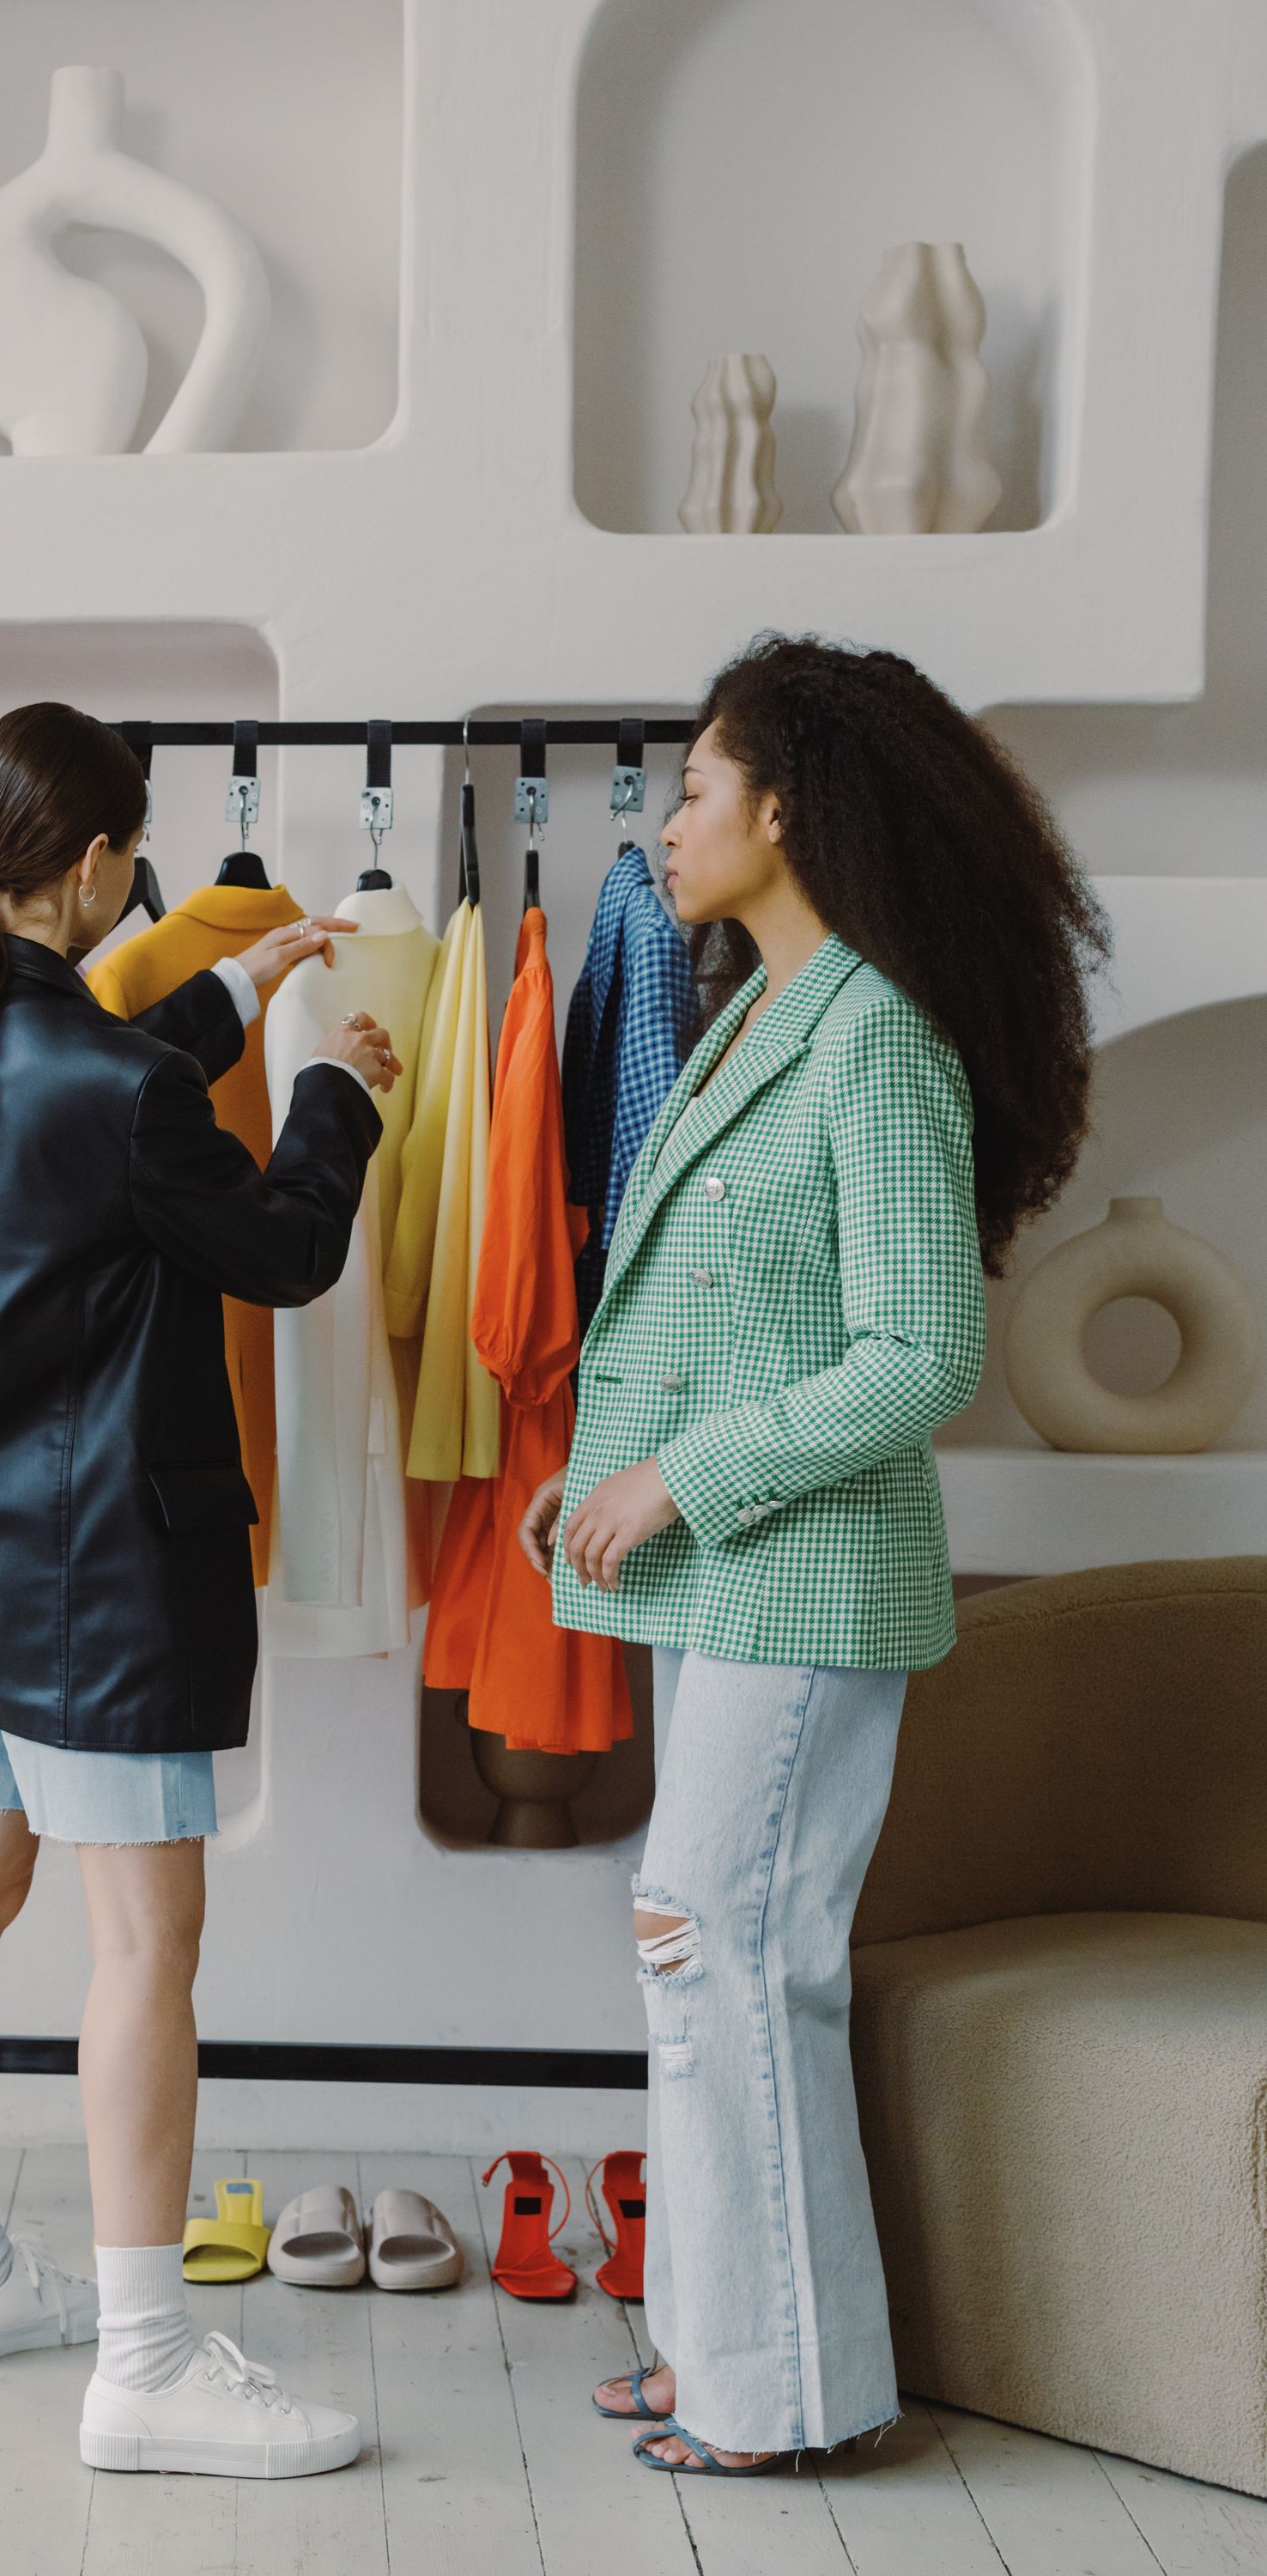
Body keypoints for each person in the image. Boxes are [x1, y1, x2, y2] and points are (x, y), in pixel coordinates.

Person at [519, 635, 1106, 2478]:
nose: (665, 824)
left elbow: (918, 1355)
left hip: (803, 1577)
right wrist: (597, 1481)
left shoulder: (875, 1038)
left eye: (693, 787)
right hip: (730, 1577)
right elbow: (713, 1311)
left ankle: (772, 2398)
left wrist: (678, 1477)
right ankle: (717, 2350)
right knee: (702, 1958)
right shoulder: (760, 1014)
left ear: (783, 809)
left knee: (731, 1956)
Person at [0, 701, 400, 2481]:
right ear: (103, 862)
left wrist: (236, 992)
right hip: (96, 1576)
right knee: (144, 1952)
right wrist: (336, 1095)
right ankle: (147, 2366)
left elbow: (98, 1092)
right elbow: (282, 1246)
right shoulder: (107, 1087)